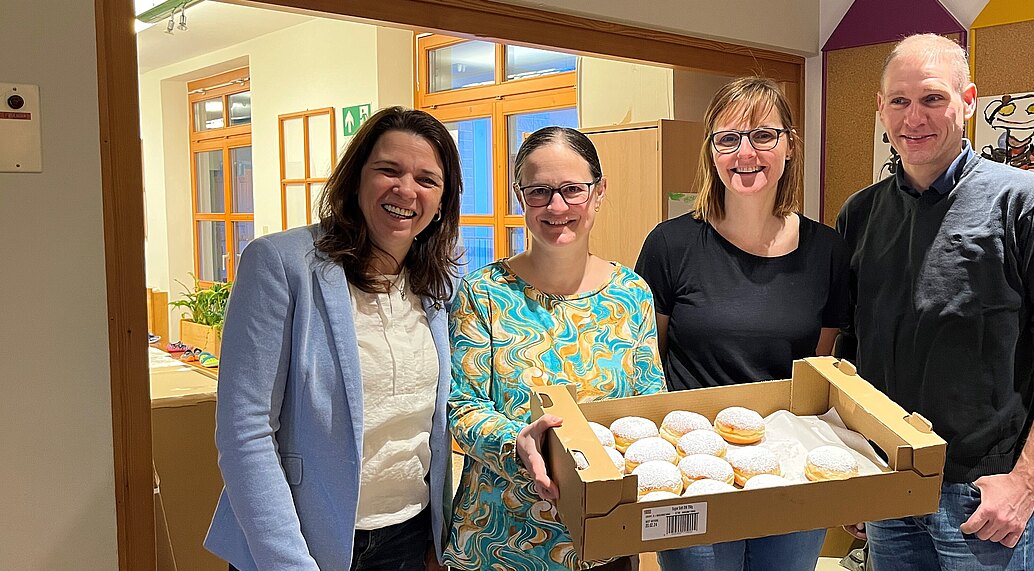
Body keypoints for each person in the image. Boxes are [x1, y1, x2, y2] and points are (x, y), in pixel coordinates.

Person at [836, 34, 1034, 570]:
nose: (915, 118)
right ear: (881, 108)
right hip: (890, 485)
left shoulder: (1024, 201)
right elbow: (849, 349)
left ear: (968, 100)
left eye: (933, 98)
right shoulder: (860, 214)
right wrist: (853, 463)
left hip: (983, 496)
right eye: (899, 101)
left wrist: (1027, 481)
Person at [205, 107, 462, 571]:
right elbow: (245, 432)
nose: (406, 190)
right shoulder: (282, 264)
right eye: (388, 170)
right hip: (300, 540)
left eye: (427, 179)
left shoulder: (440, 285)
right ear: (356, 178)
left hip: (408, 535)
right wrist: (288, 562)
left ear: (443, 201)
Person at [635, 76, 850, 571]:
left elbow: (819, 369)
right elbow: (650, 361)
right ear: (712, 150)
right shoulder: (671, 245)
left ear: (790, 145)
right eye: (728, 138)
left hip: (790, 465)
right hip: (693, 465)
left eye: (763, 135)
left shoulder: (828, 251)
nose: (744, 153)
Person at [446, 126, 664, 571]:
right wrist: (517, 443)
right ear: (519, 196)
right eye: (540, 191)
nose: (557, 206)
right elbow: (462, 407)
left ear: (599, 192)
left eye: (572, 190)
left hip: (604, 537)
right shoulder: (483, 293)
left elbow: (648, 404)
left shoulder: (631, 294)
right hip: (500, 537)